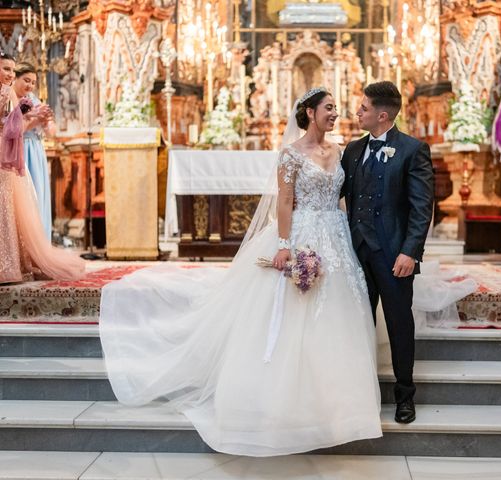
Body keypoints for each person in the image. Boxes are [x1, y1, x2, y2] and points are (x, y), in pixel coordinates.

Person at [99, 87, 382, 457]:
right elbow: (284, 200)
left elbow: (345, 196)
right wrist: (284, 244)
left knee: (338, 310)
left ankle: (339, 402)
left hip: (336, 236)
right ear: (310, 113)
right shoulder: (291, 155)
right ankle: (287, 398)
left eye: (336, 108)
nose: (336, 113)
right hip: (301, 233)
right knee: (294, 310)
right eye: (329, 108)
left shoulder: (341, 152)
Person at [341, 81, 434, 424]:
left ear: (382, 115)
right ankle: (359, 393)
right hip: (355, 254)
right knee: (357, 324)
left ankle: (404, 396)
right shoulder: (351, 150)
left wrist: (410, 252)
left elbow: (422, 207)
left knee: (398, 324)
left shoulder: (412, 150)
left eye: (362, 108)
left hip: (394, 255)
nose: (357, 113)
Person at [0, 52, 84, 284]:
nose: (9, 74)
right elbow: (11, 125)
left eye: (11, 69)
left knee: (18, 205)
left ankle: (16, 258)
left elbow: (12, 126)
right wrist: (28, 117)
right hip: (10, 149)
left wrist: (39, 117)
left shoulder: (14, 95)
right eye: (6, 69)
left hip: (14, 152)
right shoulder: (8, 92)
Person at [13, 62, 54, 240]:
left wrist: (46, 121)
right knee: (24, 200)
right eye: (26, 80)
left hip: (36, 151)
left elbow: (52, 133)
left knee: (38, 195)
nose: (30, 86)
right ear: (15, 78)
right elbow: (15, 131)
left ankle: (41, 242)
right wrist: (35, 120)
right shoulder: (9, 99)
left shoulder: (34, 100)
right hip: (19, 149)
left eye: (33, 82)